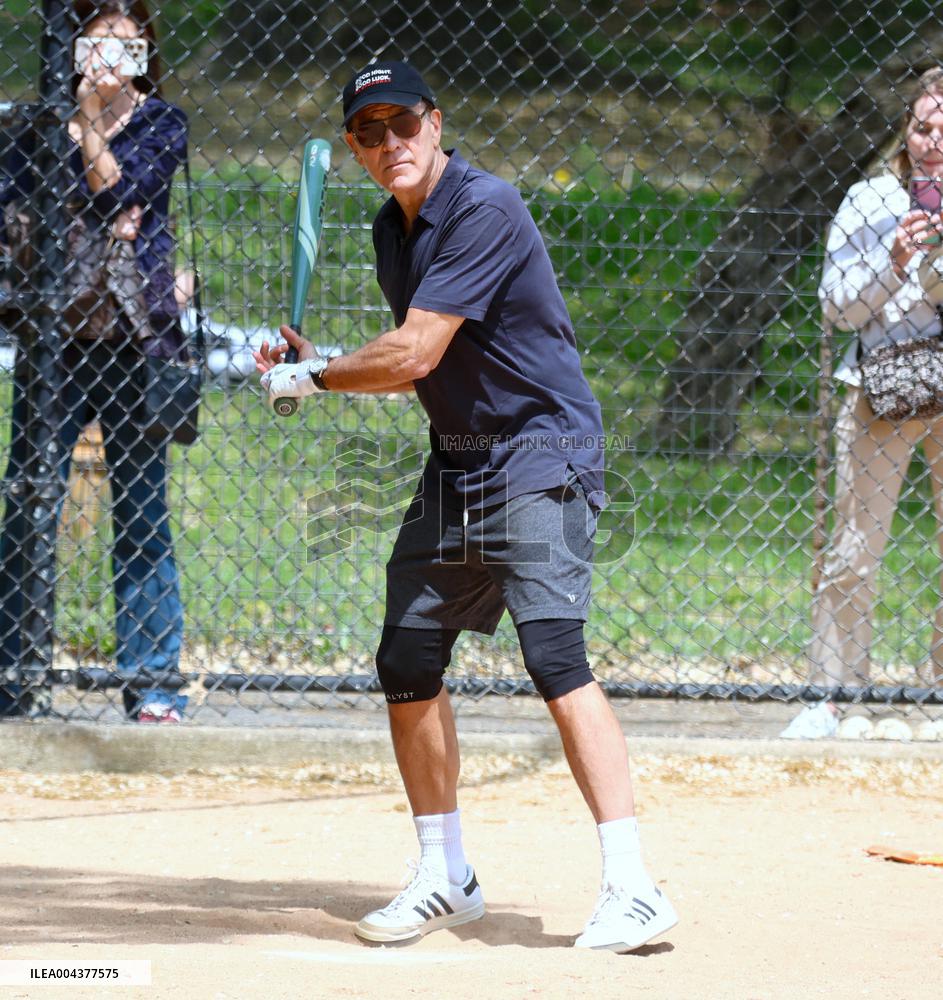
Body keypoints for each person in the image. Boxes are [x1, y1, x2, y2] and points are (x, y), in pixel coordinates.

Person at [255, 60, 678, 951]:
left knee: (556, 654)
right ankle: (446, 874)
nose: (388, 144)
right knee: (405, 655)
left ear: (435, 124)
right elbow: (429, 358)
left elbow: (411, 352)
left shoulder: (486, 207)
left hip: (539, 449)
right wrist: (323, 360)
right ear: (351, 149)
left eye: (401, 124)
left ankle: (633, 886)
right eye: (367, 133)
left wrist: (315, 375)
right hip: (460, 461)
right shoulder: (389, 230)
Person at [0, 0, 189, 723]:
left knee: (142, 514)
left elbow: (125, 191)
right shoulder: (34, 123)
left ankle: (153, 686)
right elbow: (18, 203)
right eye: (94, 46)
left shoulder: (162, 122)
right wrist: (77, 132)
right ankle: (15, 673)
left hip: (134, 340)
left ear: (145, 53)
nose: (108, 60)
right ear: (72, 51)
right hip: (55, 339)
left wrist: (86, 135)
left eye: (124, 47)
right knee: (29, 505)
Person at [782, 67, 943, 739]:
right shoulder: (868, 199)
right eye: (921, 126)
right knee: (853, 547)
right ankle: (832, 695)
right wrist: (896, 261)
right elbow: (837, 309)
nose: (932, 142)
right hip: (883, 390)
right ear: (903, 132)